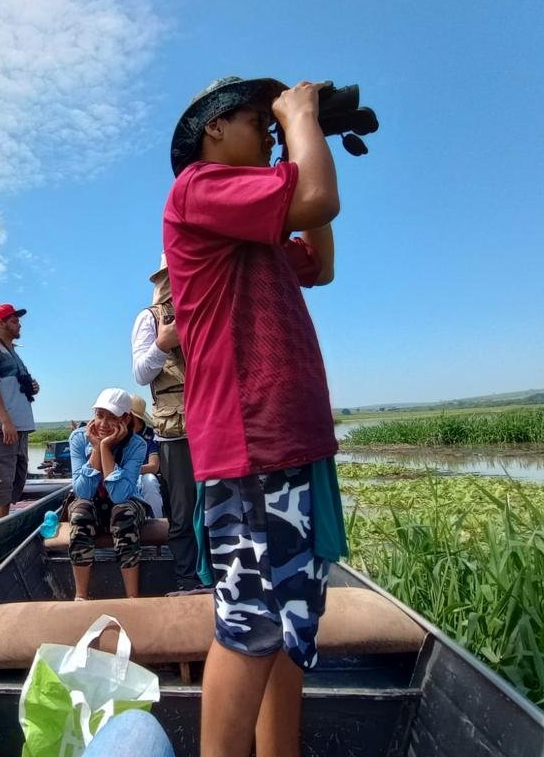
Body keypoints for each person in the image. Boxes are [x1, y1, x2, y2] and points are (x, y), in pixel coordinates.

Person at [163, 76, 350, 757]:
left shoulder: (257, 226)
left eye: (274, 124)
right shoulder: (198, 188)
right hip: (253, 441)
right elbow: (317, 197)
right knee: (250, 625)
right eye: (256, 120)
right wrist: (300, 119)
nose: (269, 131)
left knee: (291, 624)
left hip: (292, 439)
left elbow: (320, 262)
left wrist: (308, 139)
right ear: (213, 128)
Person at [130, 256, 207, 593]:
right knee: (183, 511)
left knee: (221, 506)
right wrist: (163, 343)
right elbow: (141, 373)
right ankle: (188, 580)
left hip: (214, 426)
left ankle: (219, 577)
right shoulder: (149, 318)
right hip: (176, 435)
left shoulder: (206, 309)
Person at [68, 388, 150, 599]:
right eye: (99, 415)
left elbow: (120, 495)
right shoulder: (78, 439)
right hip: (93, 503)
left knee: (123, 514)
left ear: (126, 419)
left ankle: (132, 598)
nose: (103, 423)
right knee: (80, 513)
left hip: (127, 503)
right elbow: (83, 491)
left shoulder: (137, 445)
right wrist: (96, 449)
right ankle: (80, 597)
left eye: (112, 417)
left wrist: (104, 448)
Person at [0, 303, 39, 523]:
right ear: (0, 323)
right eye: (14, 320)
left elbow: (13, 385)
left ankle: (2, 527)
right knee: (1, 483)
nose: (19, 324)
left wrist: (31, 387)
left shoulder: (13, 352)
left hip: (19, 427)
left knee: (14, 483)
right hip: (0, 427)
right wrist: (5, 421)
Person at [128, 394, 163, 518]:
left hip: (141, 476)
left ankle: (157, 521)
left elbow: (153, 466)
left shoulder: (151, 435)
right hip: (123, 477)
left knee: (149, 481)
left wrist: (128, 470)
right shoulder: (120, 433)